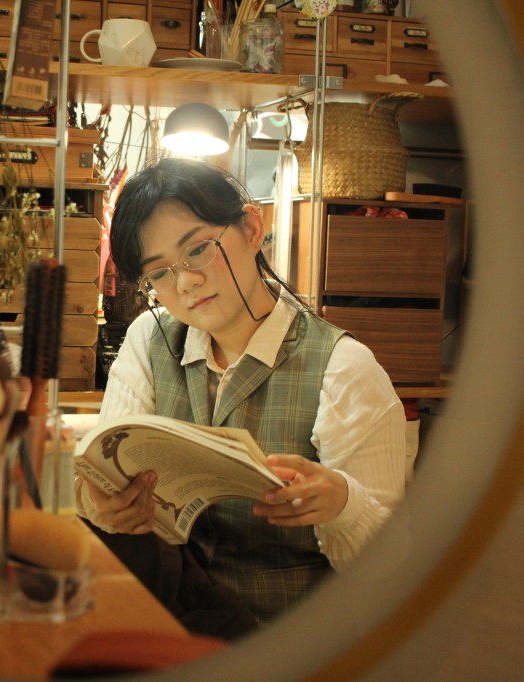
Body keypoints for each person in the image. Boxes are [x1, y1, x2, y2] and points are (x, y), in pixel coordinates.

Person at [76, 157, 406, 633]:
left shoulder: (343, 369)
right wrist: (102, 507)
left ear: (252, 229)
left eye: (198, 249)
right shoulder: (150, 339)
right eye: (160, 274)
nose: (185, 282)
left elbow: (388, 568)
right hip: (166, 622)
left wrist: (342, 503)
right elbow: (104, 474)